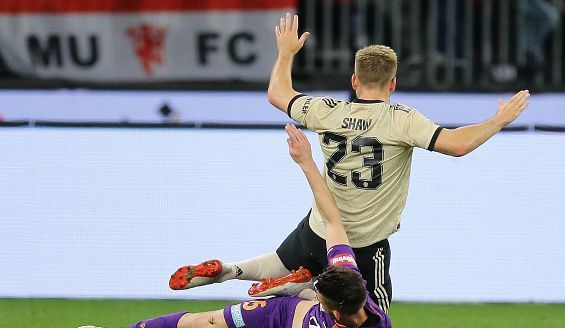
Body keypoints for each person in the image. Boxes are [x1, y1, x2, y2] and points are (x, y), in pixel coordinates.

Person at [170, 13, 530, 312]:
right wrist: (498, 120)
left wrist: (285, 53)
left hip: (320, 227)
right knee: (372, 320)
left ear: (354, 80)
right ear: (393, 84)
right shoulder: (402, 120)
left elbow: (278, 94)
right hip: (363, 242)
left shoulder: (327, 111)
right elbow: (457, 145)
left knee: (279, 262)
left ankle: (232, 270)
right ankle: (299, 291)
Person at [68, 125, 394, 328]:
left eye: (321, 300)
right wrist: (307, 163)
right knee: (195, 325)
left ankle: (282, 286)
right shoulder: (347, 275)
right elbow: (333, 219)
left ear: (339, 311)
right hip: (278, 315)